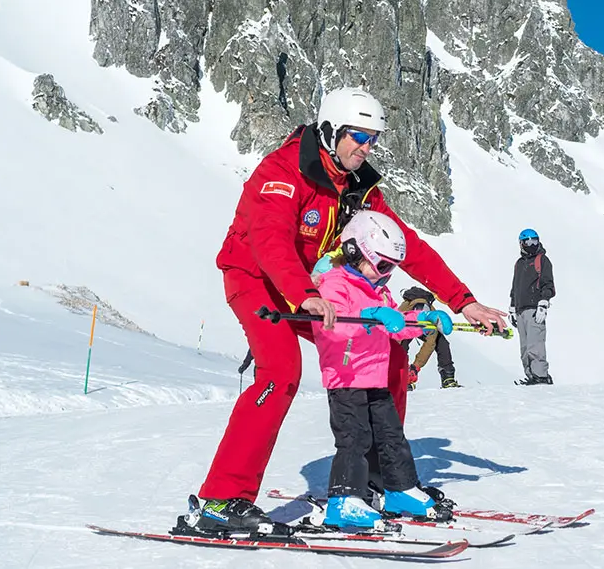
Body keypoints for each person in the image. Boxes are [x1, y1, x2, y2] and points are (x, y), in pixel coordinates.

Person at [195, 87, 508, 535]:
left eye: (373, 139)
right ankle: (222, 499)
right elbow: (269, 239)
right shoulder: (283, 171)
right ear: (330, 131)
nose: (366, 148)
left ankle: (383, 481)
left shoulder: (357, 187)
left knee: (389, 355)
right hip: (257, 279)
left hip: (316, 290)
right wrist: (303, 293)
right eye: (358, 136)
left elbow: (407, 244)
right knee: (280, 371)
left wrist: (464, 301)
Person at [313, 211, 454, 528]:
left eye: (391, 267)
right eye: (382, 265)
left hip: (375, 378)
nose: (386, 274)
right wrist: (371, 315)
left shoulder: (378, 290)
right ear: (354, 252)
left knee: (391, 436)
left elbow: (397, 325)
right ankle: (344, 500)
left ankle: (400, 489)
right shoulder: (334, 284)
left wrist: (424, 321)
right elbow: (332, 327)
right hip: (346, 377)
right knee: (355, 438)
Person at [509, 228, 556, 386]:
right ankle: (531, 376)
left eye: (534, 241)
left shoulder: (542, 260)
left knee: (535, 345)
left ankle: (540, 376)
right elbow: (515, 287)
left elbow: (548, 284)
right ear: (521, 243)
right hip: (520, 310)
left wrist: (543, 303)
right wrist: (512, 307)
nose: (531, 245)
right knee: (524, 348)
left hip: (534, 309)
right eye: (527, 242)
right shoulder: (519, 263)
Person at [398, 287, 461, 389]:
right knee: (401, 344)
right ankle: (400, 376)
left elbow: (430, 343)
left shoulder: (431, 317)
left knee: (441, 342)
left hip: (422, 326)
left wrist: (416, 366)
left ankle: (448, 377)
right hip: (408, 325)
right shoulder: (404, 310)